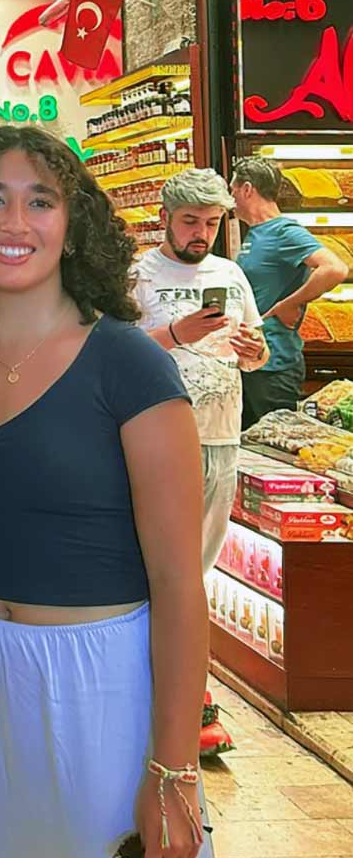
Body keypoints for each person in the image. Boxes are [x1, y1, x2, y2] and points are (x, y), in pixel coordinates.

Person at [0, 125, 218, 858]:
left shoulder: (127, 363)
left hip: (103, 682)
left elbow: (181, 584)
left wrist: (175, 768)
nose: (16, 224)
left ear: (72, 223)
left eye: (40, 201)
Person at [133, 169, 271, 761]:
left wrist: (255, 351)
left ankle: (188, 690)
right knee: (160, 567)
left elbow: (258, 354)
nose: (202, 234)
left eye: (212, 223)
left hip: (220, 437)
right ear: (167, 217)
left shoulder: (231, 275)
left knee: (198, 568)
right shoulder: (139, 274)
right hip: (156, 439)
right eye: (191, 222)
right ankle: (167, 691)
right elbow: (114, 353)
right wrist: (176, 332)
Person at [230, 157, 347, 427]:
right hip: (253, 359)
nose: (231, 196)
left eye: (233, 188)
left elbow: (334, 268)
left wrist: (289, 303)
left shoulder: (284, 231)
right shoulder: (256, 233)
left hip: (274, 364)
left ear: (247, 189)